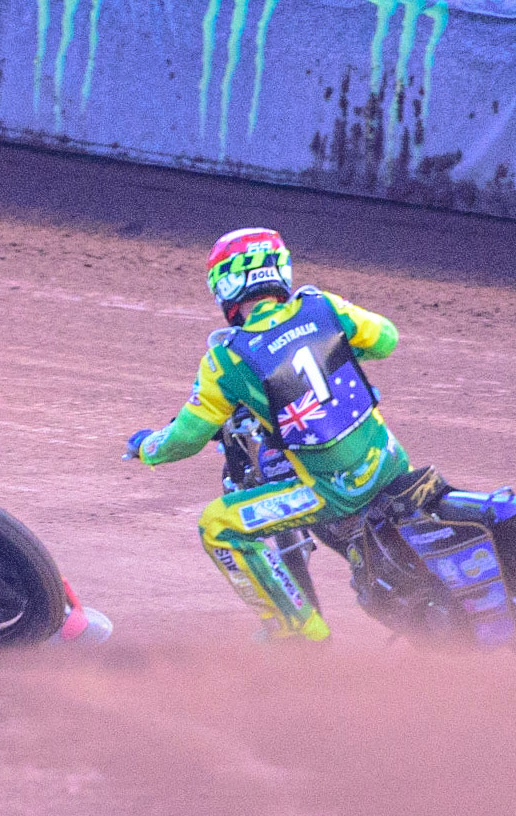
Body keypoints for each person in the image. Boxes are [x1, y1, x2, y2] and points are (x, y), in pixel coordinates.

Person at [124, 227, 415, 642]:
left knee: (217, 525)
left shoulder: (228, 358)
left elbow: (186, 437)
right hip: (390, 460)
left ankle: (296, 630)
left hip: (333, 491)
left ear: (225, 286)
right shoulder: (322, 305)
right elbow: (386, 339)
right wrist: (336, 348)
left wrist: (147, 448)